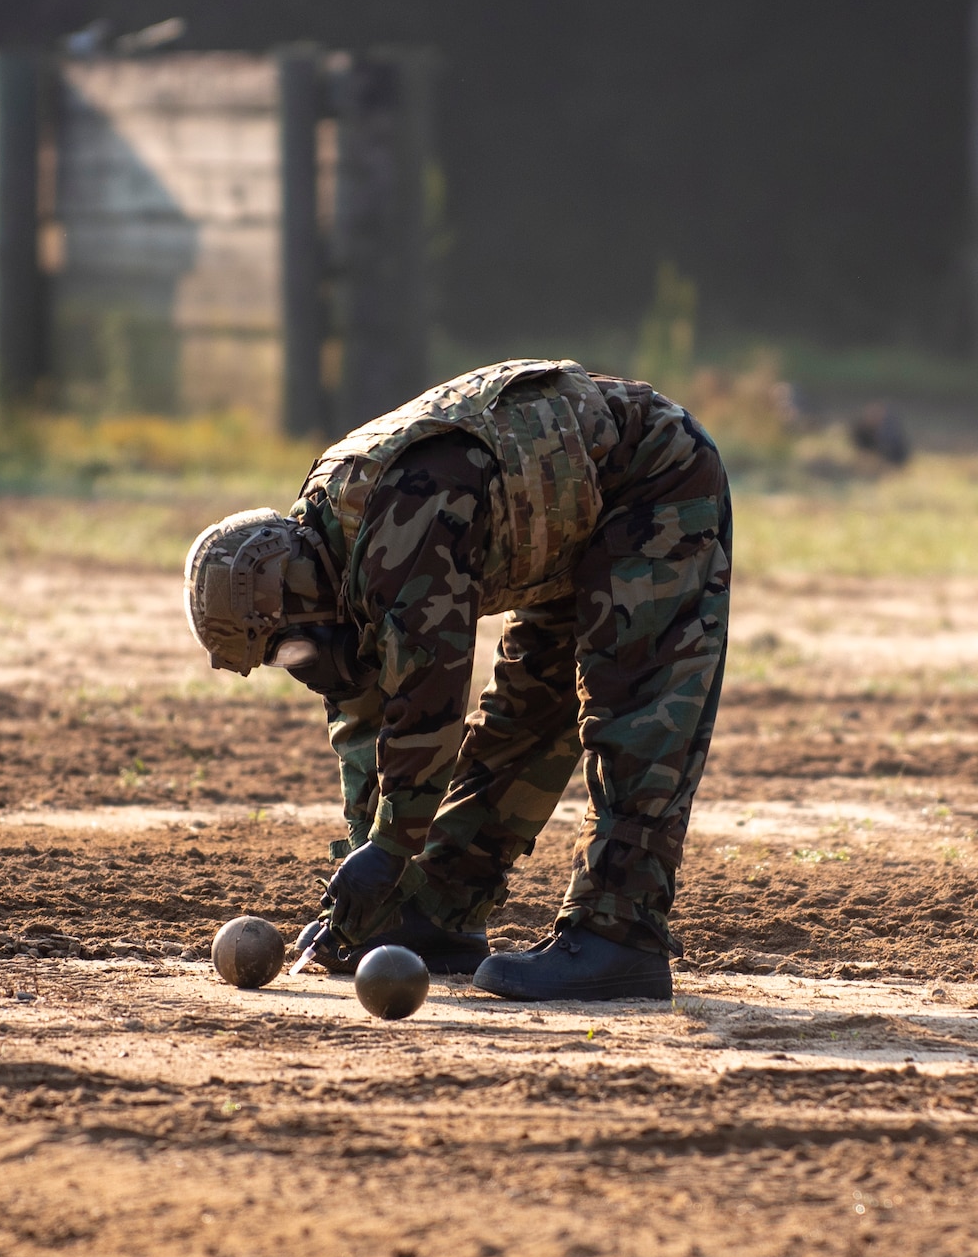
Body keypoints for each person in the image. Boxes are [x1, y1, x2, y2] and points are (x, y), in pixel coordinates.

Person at [183, 360, 730, 1001]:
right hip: (565, 525)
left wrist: (388, 851)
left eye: (283, 649)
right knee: (526, 712)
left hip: (649, 482)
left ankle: (620, 934)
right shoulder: (331, 571)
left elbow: (426, 705)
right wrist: (376, 896)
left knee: (638, 714)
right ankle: (439, 912)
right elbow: (365, 723)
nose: (295, 664)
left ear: (290, 593)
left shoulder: (398, 523)